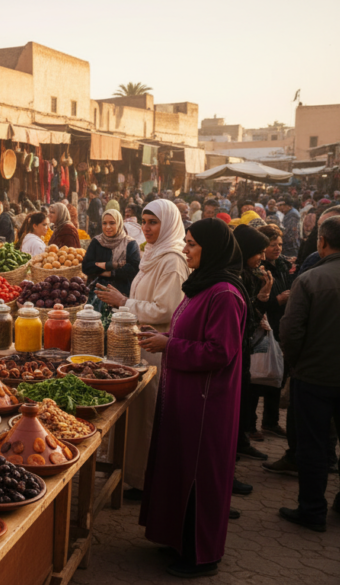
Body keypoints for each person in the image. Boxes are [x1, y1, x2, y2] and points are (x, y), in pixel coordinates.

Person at [139, 218, 248, 578]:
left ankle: (201, 555)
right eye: (185, 242)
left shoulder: (225, 295)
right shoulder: (202, 286)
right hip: (185, 393)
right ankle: (177, 540)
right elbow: (188, 327)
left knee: (199, 473)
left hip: (206, 402)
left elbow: (221, 351)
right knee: (178, 465)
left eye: (192, 244)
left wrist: (169, 344)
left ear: (212, 249)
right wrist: (163, 335)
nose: (185, 250)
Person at [95, 199, 190, 498]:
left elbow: (166, 309)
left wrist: (124, 303)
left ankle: (143, 480)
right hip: (138, 342)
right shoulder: (153, 254)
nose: (147, 228)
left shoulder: (173, 260)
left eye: (154, 223)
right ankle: (130, 474)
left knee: (147, 414)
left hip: (155, 345)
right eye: (144, 222)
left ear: (168, 224)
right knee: (135, 414)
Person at [278, 216, 340, 531]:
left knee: (313, 445)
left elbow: (291, 331)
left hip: (313, 377)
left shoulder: (310, 279)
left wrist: (295, 365)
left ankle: (312, 510)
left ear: (322, 242)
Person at [231, 224, 272, 463]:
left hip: (243, 347)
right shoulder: (236, 278)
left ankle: (240, 441)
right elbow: (246, 318)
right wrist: (263, 297)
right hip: (234, 348)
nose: (262, 258)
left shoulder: (248, 274)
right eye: (259, 252)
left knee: (244, 397)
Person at [247, 224, 291, 440]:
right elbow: (257, 303)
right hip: (262, 328)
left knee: (276, 376)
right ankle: (250, 425)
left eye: (280, 244)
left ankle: (270, 422)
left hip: (278, 327)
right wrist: (278, 299)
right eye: (273, 245)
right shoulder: (257, 269)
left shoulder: (282, 266)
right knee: (257, 376)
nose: (277, 249)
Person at [81, 209, 140, 297]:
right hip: (97, 291)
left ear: (119, 223)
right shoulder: (97, 241)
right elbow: (86, 267)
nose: (107, 227)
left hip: (122, 293)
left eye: (112, 223)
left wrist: (107, 272)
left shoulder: (130, 244)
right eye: (104, 223)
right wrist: (111, 265)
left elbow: (133, 270)